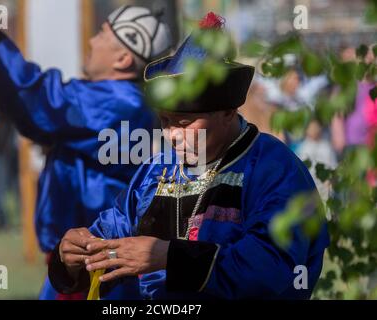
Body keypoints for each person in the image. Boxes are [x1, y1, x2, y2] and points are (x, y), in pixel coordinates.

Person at [48, 13, 330, 300]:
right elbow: (112, 235)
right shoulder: (156, 171)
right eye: (165, 121)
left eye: (184, 123)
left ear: (228, 112)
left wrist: (170, 257)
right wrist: (74, 257)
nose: (171, 135)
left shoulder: (273, 168)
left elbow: (272, 268)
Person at [0, 2, 172, 299]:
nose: (91, 41)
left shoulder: (118, 101)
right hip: (84, 259)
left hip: (95, 264)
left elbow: (38, 100)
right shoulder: (124, 102)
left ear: (124, 58)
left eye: (102, 34)